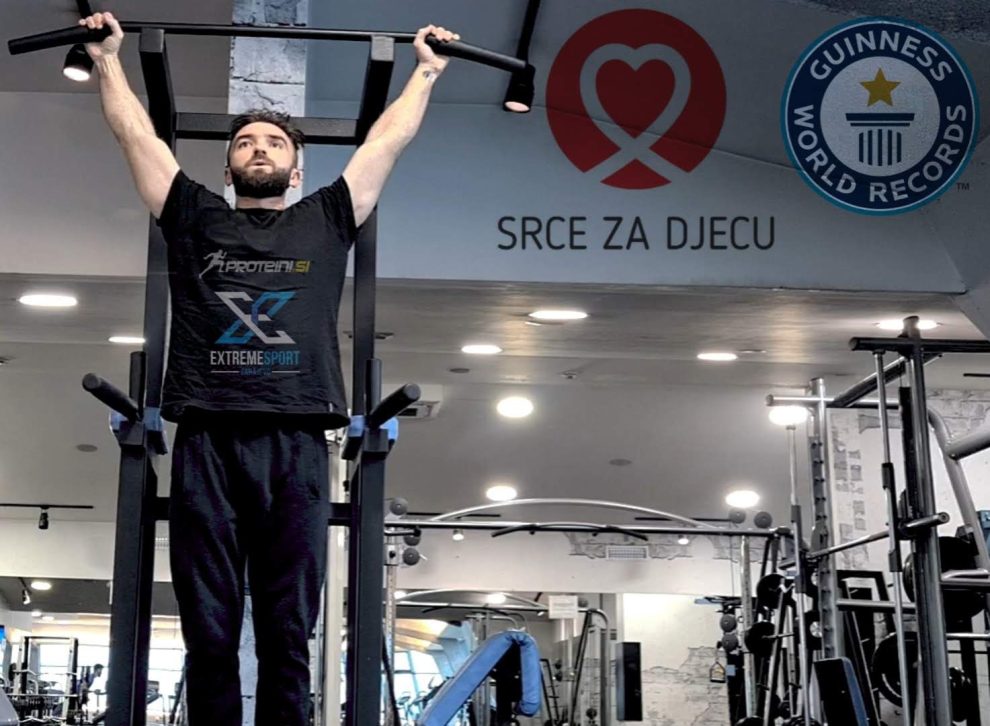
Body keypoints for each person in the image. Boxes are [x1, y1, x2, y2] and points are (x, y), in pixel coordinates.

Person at [79, 11, 459, 726]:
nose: (260, 148)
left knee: (288, 634)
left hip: (298, 442)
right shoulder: (192, 216)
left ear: (297, 167)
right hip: (207, 440)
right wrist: (106, 61)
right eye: (246, 142)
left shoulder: (327, 219)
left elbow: (386, 142)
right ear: (227, 168)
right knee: (210, 634)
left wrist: (427, 72)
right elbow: (137, 137)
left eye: (275, 141)